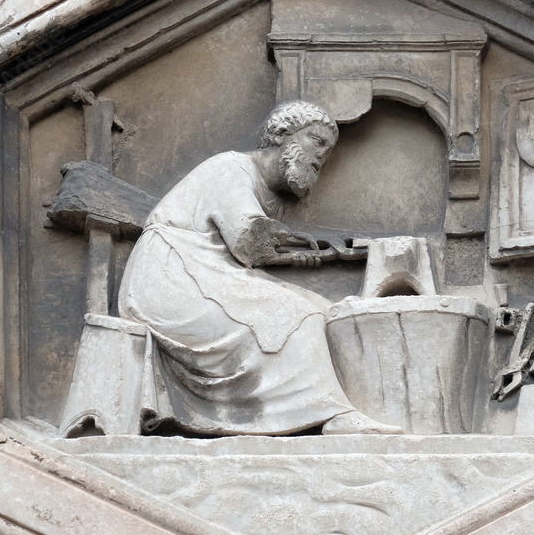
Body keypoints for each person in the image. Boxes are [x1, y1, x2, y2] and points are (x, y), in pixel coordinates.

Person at [118, 101, 401, 435]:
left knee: (327, 310)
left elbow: (251, 257)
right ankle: (330, 415)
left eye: (329, 149)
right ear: (283, 135)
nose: (322, 155)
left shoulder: (272, 199)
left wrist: (302, 256)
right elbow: (250, 242)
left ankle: (336, 407)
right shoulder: (231, 168)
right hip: (169, 277)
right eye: (316, 140)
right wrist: (321, 250)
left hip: (209, 274)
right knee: (296, 315)